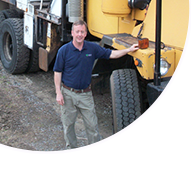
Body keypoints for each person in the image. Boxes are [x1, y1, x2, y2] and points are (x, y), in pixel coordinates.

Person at [53, 20, 138, 150]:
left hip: (85, 94)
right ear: (72, 33)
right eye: (77, 32)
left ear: (86, 33)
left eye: (82, 32)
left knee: (92, 126)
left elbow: (112, 54)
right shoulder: (64, 51)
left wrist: (129, 50)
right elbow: (57, 72)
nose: (79, 34)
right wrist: (58, 93)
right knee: (68, 126)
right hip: (68, 94)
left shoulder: (92, 49)